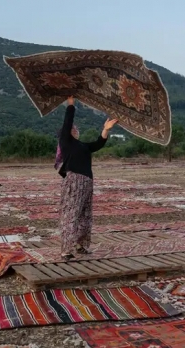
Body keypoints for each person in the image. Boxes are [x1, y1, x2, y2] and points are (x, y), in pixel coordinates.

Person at [55, 96, 118, 260]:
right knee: (71, 214)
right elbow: (67, 122)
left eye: (76, 128)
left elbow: (98, 144)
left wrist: (106, 129)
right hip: (74, 181)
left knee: (85, 215)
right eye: (73, 128)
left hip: (87, 182)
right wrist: (70, 105)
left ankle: (80, 245)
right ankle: (66, 250)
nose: (76, 129)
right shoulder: (66, 142)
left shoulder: (82, 145)